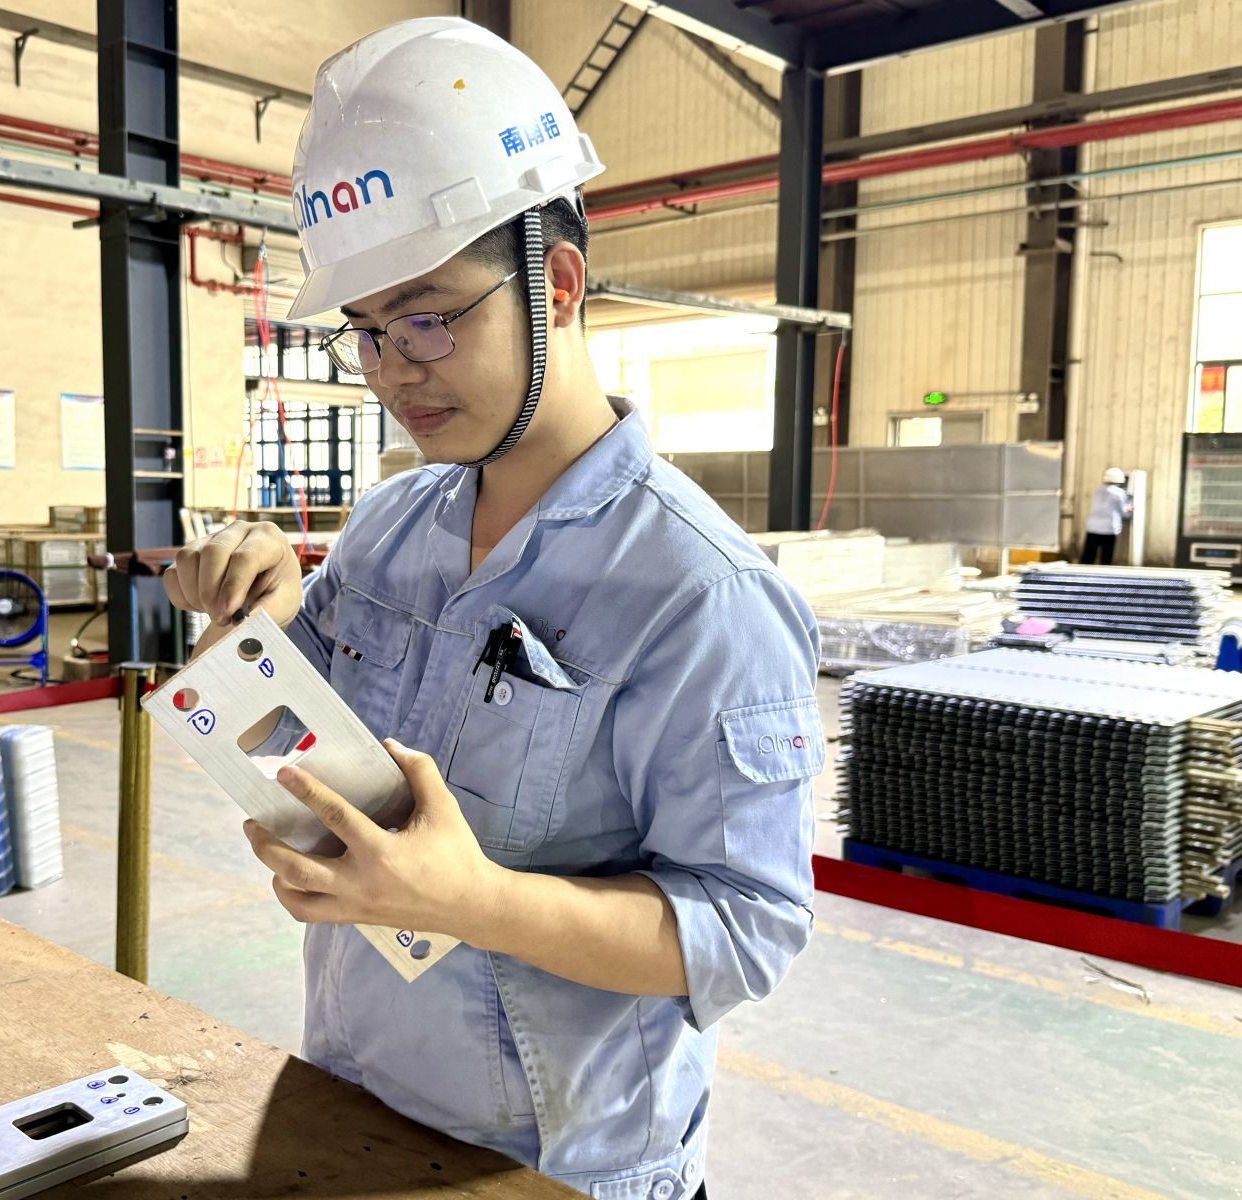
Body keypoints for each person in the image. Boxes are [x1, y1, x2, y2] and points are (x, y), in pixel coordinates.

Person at [162, 18, 819, 1198]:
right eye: (367, 333)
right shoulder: (388, 527)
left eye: (427, 318)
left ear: (555, 284)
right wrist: (260, 605)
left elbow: (745, 928)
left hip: (551, 1167)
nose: (392, 370)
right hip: (349, 1103)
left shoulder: (698, 594)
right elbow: (291, 733)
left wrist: (477, 905)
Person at [1082, 467, 1134, 565]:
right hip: (1108, 529)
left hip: (1092, 527)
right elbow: (1124, 513)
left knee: (1088, 557)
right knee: (1106, 558)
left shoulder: (1097, 491)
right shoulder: (1119, 494)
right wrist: (1129, 509)